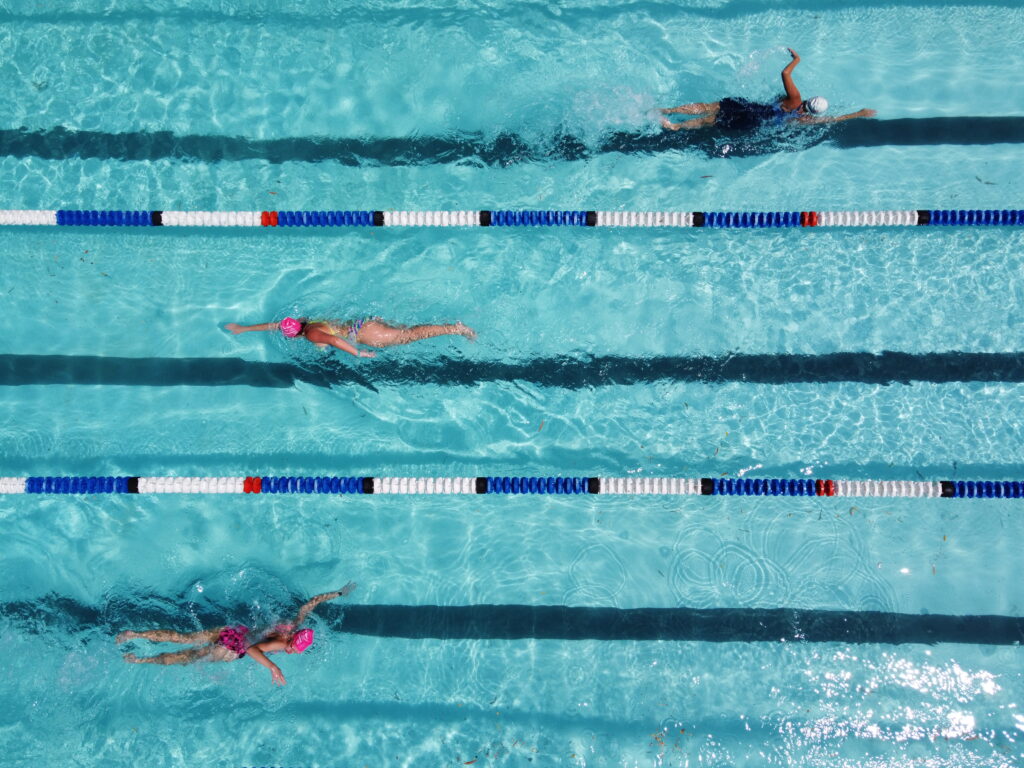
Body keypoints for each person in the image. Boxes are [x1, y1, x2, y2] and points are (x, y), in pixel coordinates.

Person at [115, 583, 356, 685]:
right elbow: (251, 648)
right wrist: (273, 667)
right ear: (294, 643)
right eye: (295, 649)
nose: (293, 652)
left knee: (183, 637)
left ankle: (133, 634)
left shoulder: (291, 625)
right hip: (230, 649)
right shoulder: (281, 644)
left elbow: (309, 604)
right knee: (187, 658)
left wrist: (338, 594)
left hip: (230, 632)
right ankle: (140, 660)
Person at [659, 48, 876, 131]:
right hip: (755, 122)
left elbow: (785, 74)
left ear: (809, 99)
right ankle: (677, 127)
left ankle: (668, 111)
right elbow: (832, 120)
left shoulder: (795, 99)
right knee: (712, 120)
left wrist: (797, 59)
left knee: (711, 107)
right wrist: (858, 114)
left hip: (754, 108)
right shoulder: (804, 119)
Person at [225, 315, 476, 358]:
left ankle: (455, 328)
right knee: (406, 332)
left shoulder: (312, 335)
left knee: (406, 337)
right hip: (361, 324)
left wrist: (358, 352)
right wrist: (244, 329)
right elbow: (275, 325)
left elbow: (334, 341)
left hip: (364, 334)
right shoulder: (308, 324)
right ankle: (449, 327)